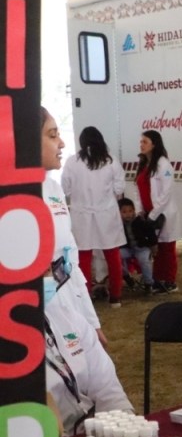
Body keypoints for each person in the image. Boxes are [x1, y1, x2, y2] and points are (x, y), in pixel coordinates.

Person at [40, 107, 107, 347]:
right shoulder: (13, 200)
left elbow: (72, 263)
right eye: (52, 135)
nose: (62, 142)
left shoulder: (54, 188)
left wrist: (92, 321)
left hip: (71, 305)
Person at [42, 275, 133, 436]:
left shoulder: (66, 316)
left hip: (92, 432)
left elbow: (107, 387)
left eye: (48, 269)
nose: (50, 278)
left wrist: (125, 429)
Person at [61, 126, 126, 307]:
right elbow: (119, 189)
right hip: (106, 215)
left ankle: (86, 298)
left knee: (83, 257)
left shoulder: (72, 162)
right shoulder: (111, 161)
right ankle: (115, 297)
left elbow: (65, 188)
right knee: (112, 255)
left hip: (82, 215)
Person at [134, 130, 181, 294]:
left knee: (167, 247)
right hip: (148, 212)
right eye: (141, 142)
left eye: (145, 142)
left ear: (154, 144)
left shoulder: (163, 164)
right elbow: (138, 189)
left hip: (163, 212)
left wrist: (154, 213)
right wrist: (140, 210)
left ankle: (170, 281)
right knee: (157, 248)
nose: (141, 145)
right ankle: (158, 280)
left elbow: (166, 192)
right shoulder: (143, 164)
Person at [117, 197, 156, 294]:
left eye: (130, 211)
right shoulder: (118, 224)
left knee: (144, 260)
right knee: (116, 258)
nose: (128, 214)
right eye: (124, 212)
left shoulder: (140, 221)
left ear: (134, 211)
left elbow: (151, 233)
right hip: (127, 248)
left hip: (141, 248)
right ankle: (126, 277)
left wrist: (153, 245)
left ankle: (148, 284)